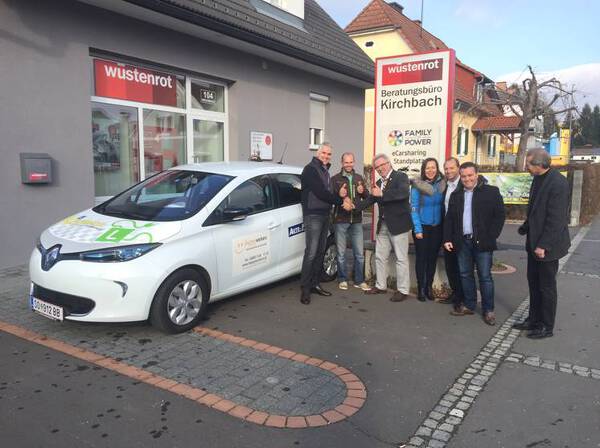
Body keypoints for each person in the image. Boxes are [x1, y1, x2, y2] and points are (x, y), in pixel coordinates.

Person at [513, 148, 571, 339]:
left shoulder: (558, 183)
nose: (526, 167)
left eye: (528, 164)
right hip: (533, 241)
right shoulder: (538, 179)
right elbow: (536, 209)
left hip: (547, 247)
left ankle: (546, 326)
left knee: (546, 287)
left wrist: (543, 245)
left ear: (539, 165)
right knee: (534, 283)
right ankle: (534, 319)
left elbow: (556, 219)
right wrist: (526, 226)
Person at [443, 162, 505, 325]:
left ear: (476, 174)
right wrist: (448, 238)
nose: (467, 179)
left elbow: (499, 217)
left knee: (485, 277)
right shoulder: (456, 195)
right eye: (463, 176)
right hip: (462, 242)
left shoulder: (491, 192)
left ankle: (488, 310)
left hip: (483, 243)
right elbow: (449, 219)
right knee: (465, 274)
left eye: (470, 175)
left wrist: (491, 237)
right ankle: (469, 305)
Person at [300, 143, 352, 305]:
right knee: (311, 252)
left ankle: (315, 283)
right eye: (323, 153)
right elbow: (320, 192)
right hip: (313, 215)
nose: (326, 156)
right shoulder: (310, 169)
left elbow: (327, 193)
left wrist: (339, 194)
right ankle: (305, 289)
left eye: (329, 154)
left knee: (320, 252)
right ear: (317, 153)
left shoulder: (324, 171)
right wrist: (340, 202)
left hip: (324, 215)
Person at [365, 153, 412, 302]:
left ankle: (403, 289)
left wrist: (383, 193)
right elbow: (370, 200)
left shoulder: (400, 177)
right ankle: (381, 286)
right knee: (380, 256)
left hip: (398, 225)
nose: (380, 168)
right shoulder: (378, 183)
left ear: (389, 163)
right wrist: (352, 206)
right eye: (377, 167)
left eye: (382, 165)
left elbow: (403, 193)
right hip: (383, 225)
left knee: (401, 258)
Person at [331, 152, 370, 291]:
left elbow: (367, 198)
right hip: (341, 220)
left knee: (359, 253)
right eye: (346, 162)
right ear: (342, 163)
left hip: (357, 219)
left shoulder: (359, 178)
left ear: (354, 162)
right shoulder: (335, 179)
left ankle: (359, 280)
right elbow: (330, 197)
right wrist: (339, 195)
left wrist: (363, 190)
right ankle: (342, 279)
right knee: (341, 253)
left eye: (351, 162)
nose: (348, 164)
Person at [411, 158, 445, 302]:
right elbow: (414, 209)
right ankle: (420, 289)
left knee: (432, 259)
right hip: (422, 228)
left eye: (433, 167)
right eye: (427, 168)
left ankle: (429, 287)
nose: (430, 171)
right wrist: (418, 229)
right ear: (423, 170)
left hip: (437, 228)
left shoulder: (443, 185)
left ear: (437, 169)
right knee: (421, 259)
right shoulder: (418, 186)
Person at [440, 157, 465, 309]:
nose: (448, 171)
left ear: (458, 168)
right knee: (450, 266)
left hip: (462, 232)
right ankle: (455, 294)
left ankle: (462, 298)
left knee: (463, 267)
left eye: (452, 168)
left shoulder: (465, 184)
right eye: (446, 168)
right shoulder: (446, 185)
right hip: (448, 231)